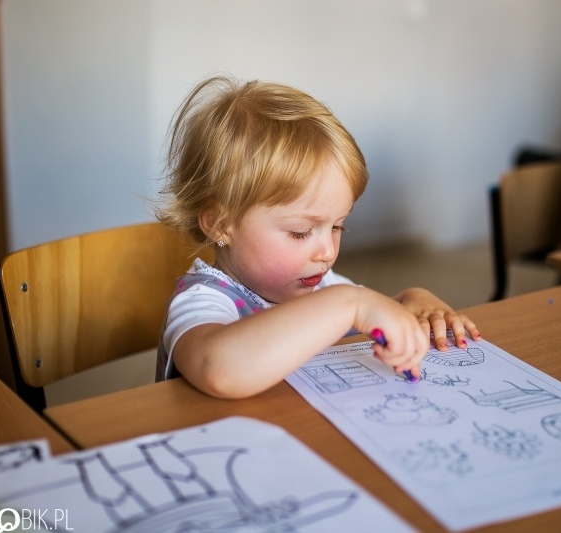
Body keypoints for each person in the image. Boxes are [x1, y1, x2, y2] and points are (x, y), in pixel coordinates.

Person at [154, 76, 481, 399]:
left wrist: (412, 300)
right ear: (220, 224)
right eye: (301, 232)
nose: (327, 252)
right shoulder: (204, 300)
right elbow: (218, 370)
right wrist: (350, 304)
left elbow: (373, 313)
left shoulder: (319, 284)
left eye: (337, 227)